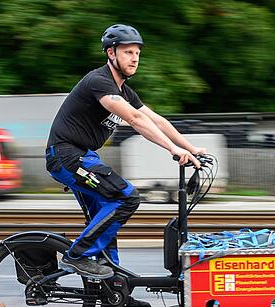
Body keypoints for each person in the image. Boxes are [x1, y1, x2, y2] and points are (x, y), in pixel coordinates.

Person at [46, 24, 205, 280]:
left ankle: (115, 282)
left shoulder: (125, 91)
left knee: (106, 215)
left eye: (137, 53)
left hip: (83, 156)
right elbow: (134, 119)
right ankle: (76, 257)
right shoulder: (99, 81)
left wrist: (189, 147)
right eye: (128, 52)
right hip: (66, 156)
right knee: (126, 197)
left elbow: (157, 120)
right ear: (111, 53)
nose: (135, 58)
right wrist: (172, 150)